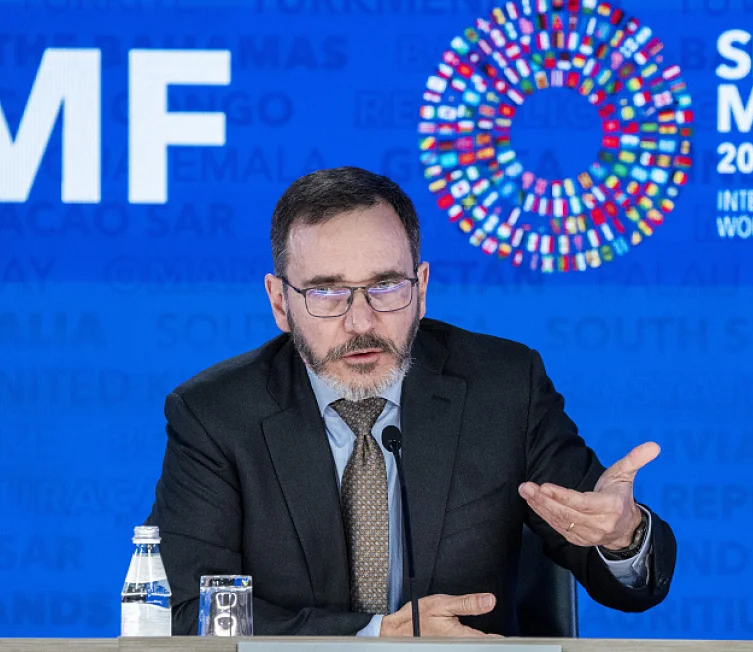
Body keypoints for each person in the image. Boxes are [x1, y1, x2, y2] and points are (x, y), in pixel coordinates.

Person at [146, 166, 676, 637]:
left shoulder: (504, 387)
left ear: (421, 287)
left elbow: (619, 573)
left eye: (385, 286)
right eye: (327, 292)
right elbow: (188, 610)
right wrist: (375, 635)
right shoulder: (215, 416)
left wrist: (624, 537)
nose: (361, 322)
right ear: (281, 302)